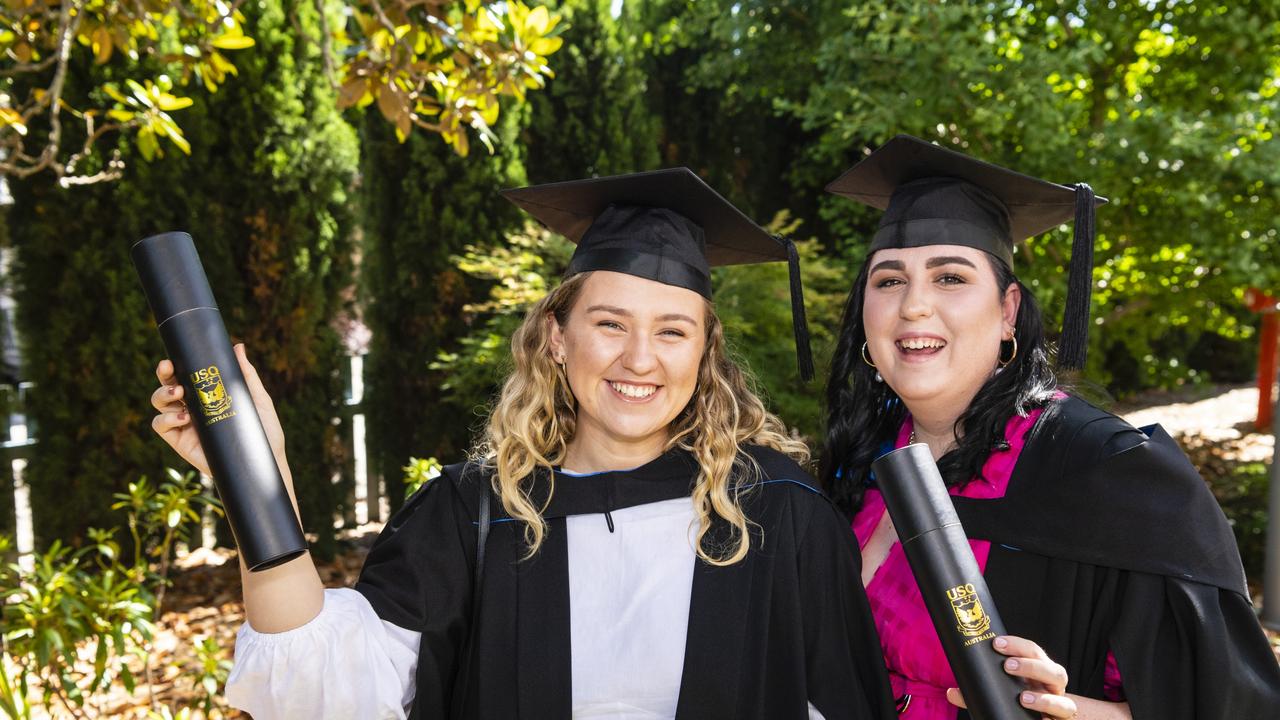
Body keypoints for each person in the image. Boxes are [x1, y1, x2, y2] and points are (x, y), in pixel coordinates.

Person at [150, 168, 896, 719]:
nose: (641, 358)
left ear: (703, 353)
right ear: (556, 337)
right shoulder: (474, 515)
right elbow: (327, 690)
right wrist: (258, 478)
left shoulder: (778, 515)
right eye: (610, 323)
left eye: (673, 331)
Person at [819, 135, 1280, 719]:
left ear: (1008, 311)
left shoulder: (1105, 470)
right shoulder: (859, 457)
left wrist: (1070, 711)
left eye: (951, 278)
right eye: (888, 281)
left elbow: (1234, 705)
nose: (913, 306)